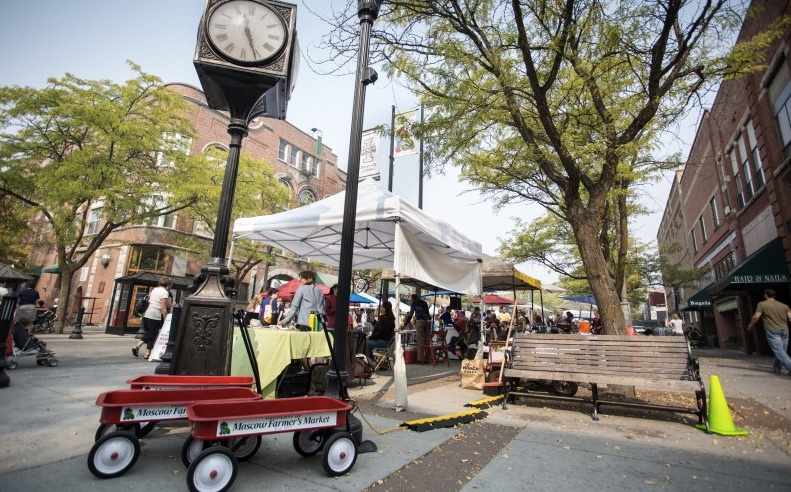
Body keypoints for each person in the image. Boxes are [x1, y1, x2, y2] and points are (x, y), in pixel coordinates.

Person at [747, 288, 791, 375]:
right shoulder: (784, 306)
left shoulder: (762, 304)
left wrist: (750, 325)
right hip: (785, 330)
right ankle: (776, 369)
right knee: (782, 351)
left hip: (772, 330)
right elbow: (790, 318)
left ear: (766, 295)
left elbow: (756, 316)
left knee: (779, 351)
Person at [132, 276, 172, 359]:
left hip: (147, 313)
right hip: (155, 315)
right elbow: (163, 307)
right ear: (168, 284)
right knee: (152, 334)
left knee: (148, 333)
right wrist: (165, 319)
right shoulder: (164, 292)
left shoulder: (154, 290)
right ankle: (144, 351)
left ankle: (141, 349)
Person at [403, 293, 431, 363]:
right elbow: (427, 312)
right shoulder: (424, 302)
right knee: (427, 340)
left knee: (420, 339)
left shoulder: (414, 303)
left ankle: (421, 359)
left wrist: (405, 324)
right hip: (428, 321)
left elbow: (410, 314)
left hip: (420, 320)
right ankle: (428, 357)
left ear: (413, 298)